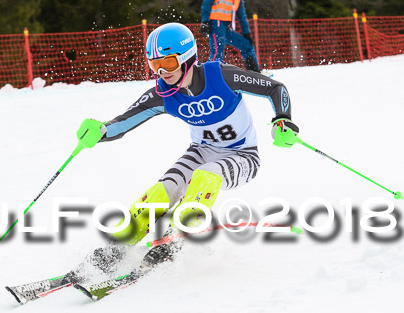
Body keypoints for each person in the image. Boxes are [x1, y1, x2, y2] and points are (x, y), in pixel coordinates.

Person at [70, 22, 298, 281]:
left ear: (187, 57)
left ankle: (178, 237)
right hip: (201, 151)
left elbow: (275, 88)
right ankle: (119, 245)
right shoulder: (163, 94)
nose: (161, 72)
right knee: (165, 188)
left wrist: (283, 120)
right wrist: (100, 130)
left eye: (167, 63)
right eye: (154, 65)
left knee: (206, 175)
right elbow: (122, 123)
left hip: (242, 155)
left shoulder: (220, 76)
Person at [200, 0, 261, 72]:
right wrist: (205, 21)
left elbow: (242, 16)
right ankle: (209, 74)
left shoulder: (238, 1)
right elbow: (207, 4)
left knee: (246, 45)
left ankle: (254, 72)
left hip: (226, 27)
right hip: (216, 24)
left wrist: (246, 33)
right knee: (217, 51)